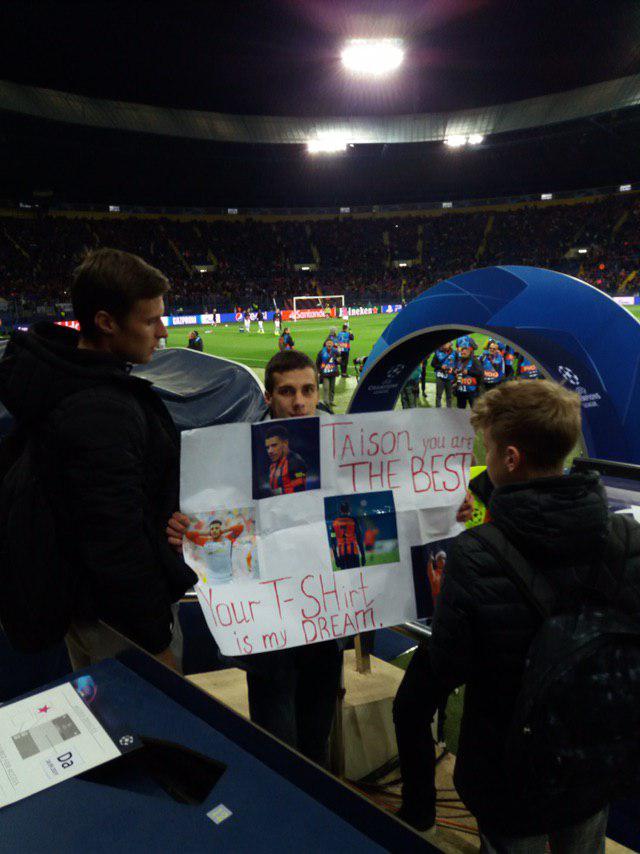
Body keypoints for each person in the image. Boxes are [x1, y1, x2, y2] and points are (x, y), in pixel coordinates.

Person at [394, 380, 640, 851]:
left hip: (510, 771)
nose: (484, 457)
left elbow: (448, 664)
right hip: (593, 758)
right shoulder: (626, 537)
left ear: (510, 457)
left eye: (488, 448)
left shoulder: (477, 554)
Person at [0, 247, 196, 671]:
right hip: (121, 624)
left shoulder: (63, 378)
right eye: (150, 320)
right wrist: (155, 642)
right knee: (148, 714)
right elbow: (115, 543)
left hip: (88, 610)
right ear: (107, 322)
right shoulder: (99, 410)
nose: (163, 332)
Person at [167, 350, 342, 767]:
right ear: (268, 397)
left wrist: (441, 506)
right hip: (267, 623)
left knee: (317, 737)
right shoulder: (234, 451)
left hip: (324, 617)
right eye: (287, 392)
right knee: (277, 743)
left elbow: (387, 500)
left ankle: (317, 802)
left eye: (308, 390)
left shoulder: (339, 441)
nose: (299, 402)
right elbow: (210, 517)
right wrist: (186, 532)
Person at [186, 519, 244, 585]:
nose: (214, 530)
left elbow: (241, 527)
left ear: (220, 529)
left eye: (217, 528)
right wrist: (206, 533)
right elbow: (188, 535)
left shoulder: (228, 539)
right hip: (211, 579)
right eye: (212, 529)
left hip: (228, 579)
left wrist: (224, 531)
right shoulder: (204, 542)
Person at [264, 424, 308, 495]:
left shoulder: (296, 463)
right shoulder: (273, 465)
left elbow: (299, 491)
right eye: (267, 447)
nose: (270, 451)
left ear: (285, 443)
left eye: (274, 445)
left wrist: (271, 493)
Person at [330, 500, 366, 570]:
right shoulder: (353, 521)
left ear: (340, 510)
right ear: (349, 510)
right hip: (353, 553)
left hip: (342, 554)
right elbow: (359, 539)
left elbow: (332, 541)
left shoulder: (334, 523)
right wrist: (363, 555)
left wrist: (336, 557)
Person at [453, 344, 483, 408]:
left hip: (472, 391)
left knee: (474, 409)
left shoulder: (474, 361)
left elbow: (480, 373)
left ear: (469, 353)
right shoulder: (459, 361)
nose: (463, 354)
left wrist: (468, 372)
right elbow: (455, 371)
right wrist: (455, 372)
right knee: (460, 410)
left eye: (465, 353)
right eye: (462, 353)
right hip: (461, 390)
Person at [316, 337, 340, 412]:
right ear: (325, 344)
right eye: (328, 343)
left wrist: (338, 361)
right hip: (325, 373)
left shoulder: (335, 351)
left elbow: (338, 360)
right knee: (326, 388)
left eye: (330, 343)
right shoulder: (321, 352)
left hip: (333, 372)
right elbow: (318, 362)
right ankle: (326, 402)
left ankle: (331, 401)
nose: (329, 344)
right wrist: (318, 371)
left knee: (332, 388)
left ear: (332, 344)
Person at [430, 342, 456, 408]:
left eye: (447, 343)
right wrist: (441, 367)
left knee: (449, 396)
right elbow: (433, 364)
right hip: (440, 376)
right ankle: (438, 410)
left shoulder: (454, 353)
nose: (444, 345)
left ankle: (449, 410)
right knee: (439, 395)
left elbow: (458, 364)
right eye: (444, 344)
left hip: (450, 377)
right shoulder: (438, 353)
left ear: (450, 344)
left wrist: (453, 369)